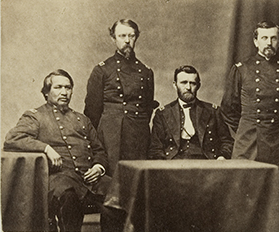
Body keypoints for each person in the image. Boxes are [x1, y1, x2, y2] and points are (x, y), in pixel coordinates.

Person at [3, 69, 124, 232]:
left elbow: (99, 150)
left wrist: (98, 167)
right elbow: (13, 139)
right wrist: (46, 148)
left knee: (118, 193)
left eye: (68, 88)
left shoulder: (82, 119)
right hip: (59, 178)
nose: (64, 92)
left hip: (89, 179)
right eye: (58, 87)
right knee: (69, 197)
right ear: (46, 92)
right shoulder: (35, 116)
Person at [220, 21, 279, 168]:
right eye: (264, 38)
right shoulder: (241, 69)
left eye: (273, 38)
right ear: (255, 41)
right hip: (248, 140)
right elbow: (228, 109)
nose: (269, 43)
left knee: (276, 185)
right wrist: (246, 127)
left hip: (278, 140)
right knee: (244, 183)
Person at [84, 19, 158, 176]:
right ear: (113, 38)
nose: (127, 40)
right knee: (112, 179)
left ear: (136, 38)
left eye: (131, 36)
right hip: (111, 134)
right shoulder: (102, 70)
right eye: (122, 35)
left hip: (138, 133)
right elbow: (92, 110)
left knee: (137, 178)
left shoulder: (146, 72)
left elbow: (147, 107)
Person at [149, 65, 233, 160]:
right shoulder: (163, 114)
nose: (188, 87)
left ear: (198, 86)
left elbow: (227, 142)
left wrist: (222, 157)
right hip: (173, 164)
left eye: (192, 83)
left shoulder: (213, 111)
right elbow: (155, 148)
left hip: (206, 163)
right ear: (175, 85)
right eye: (183, 83)